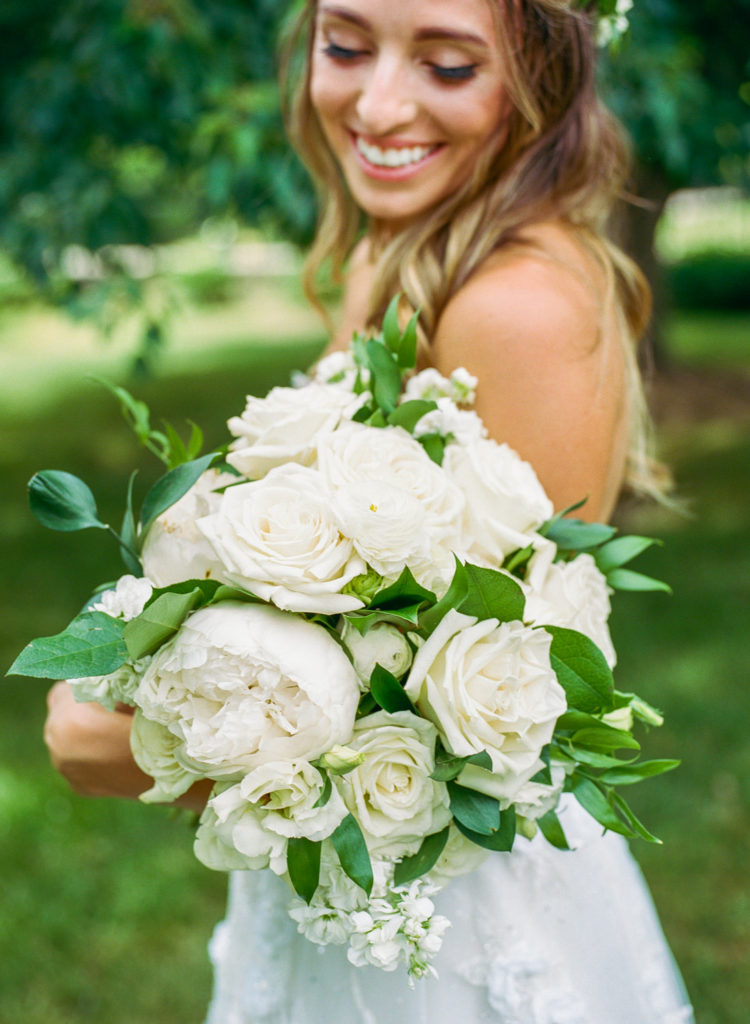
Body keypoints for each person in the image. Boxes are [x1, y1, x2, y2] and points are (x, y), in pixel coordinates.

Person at [45, 1, 695, 1021]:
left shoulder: (513, 307)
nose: (379, 102)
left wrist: (157, 756)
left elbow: (484, 723)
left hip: (450, 924)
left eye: (446, 65)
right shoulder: (400, 253)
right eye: (345, 47)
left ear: (539, 84)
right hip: (351, 897)